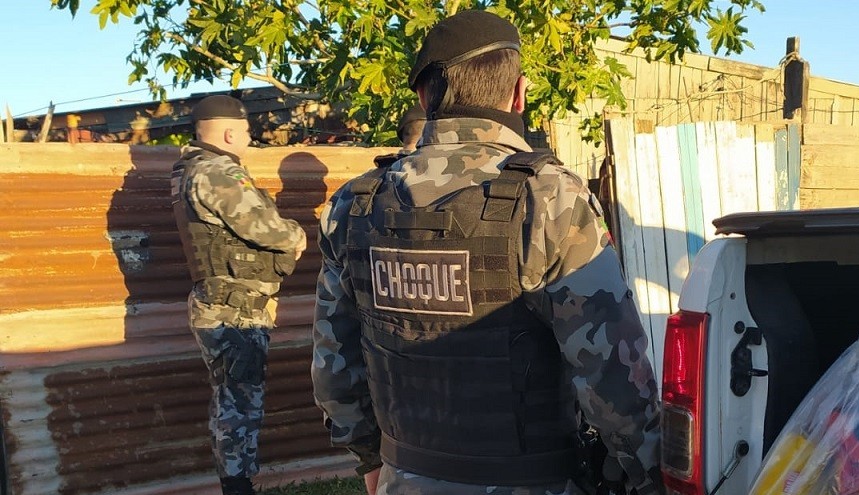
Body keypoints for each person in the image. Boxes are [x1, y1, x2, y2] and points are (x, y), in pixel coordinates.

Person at [312, 10, 663, 495]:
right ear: (519, 92)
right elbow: (613, 377)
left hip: (403, 479)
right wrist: (649, 474)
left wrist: (370, 458)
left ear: (424, 97)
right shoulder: (549, 199)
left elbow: (334, 363)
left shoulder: (355, 205)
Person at [171, 95, 307, 495]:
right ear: (230, 133)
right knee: (239, 400)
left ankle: (235, 482)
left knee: (232, 396)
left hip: (222, 302)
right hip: (234, 307)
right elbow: (266, 228)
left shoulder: (191, 169)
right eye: (247, 132)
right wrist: (297, 235)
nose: (250, 139)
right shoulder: (217, 172)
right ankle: (237, 486)